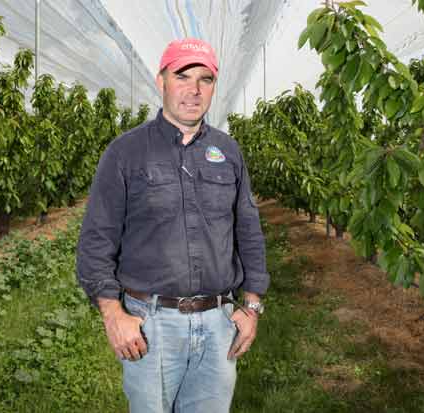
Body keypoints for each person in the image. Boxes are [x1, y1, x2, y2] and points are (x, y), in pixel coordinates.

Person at [76, 37, 269, 413]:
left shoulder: (228, 152)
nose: (194, 91)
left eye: (205, 79)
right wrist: (113, 314)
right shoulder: (125, 152)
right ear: (161, 80)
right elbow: (97, 239)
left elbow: (248, 229)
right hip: (150, 324)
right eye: (183, 76)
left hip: (217, 324)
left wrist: (253, 306)